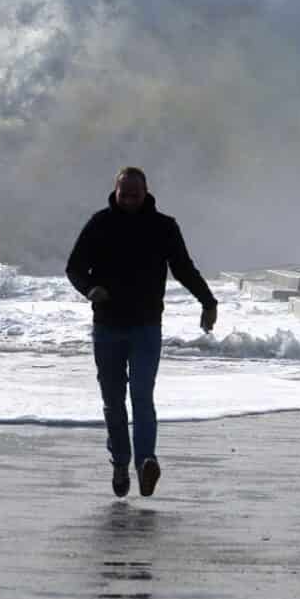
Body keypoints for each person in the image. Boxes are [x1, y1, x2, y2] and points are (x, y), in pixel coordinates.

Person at [65, 165, 220, 498]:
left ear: (146, 192)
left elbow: (183, 268)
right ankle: (121, 462)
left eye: (135, 194)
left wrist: (208, 302)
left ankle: (145, 461)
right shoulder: (100, 224)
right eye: (124, 194)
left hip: (147, 327)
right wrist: (89, 288)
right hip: (107, 327)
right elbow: (74, 267)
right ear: (116, 192)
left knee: (142, 397)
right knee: (113, 402)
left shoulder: (163, 227)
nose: (130, 200)